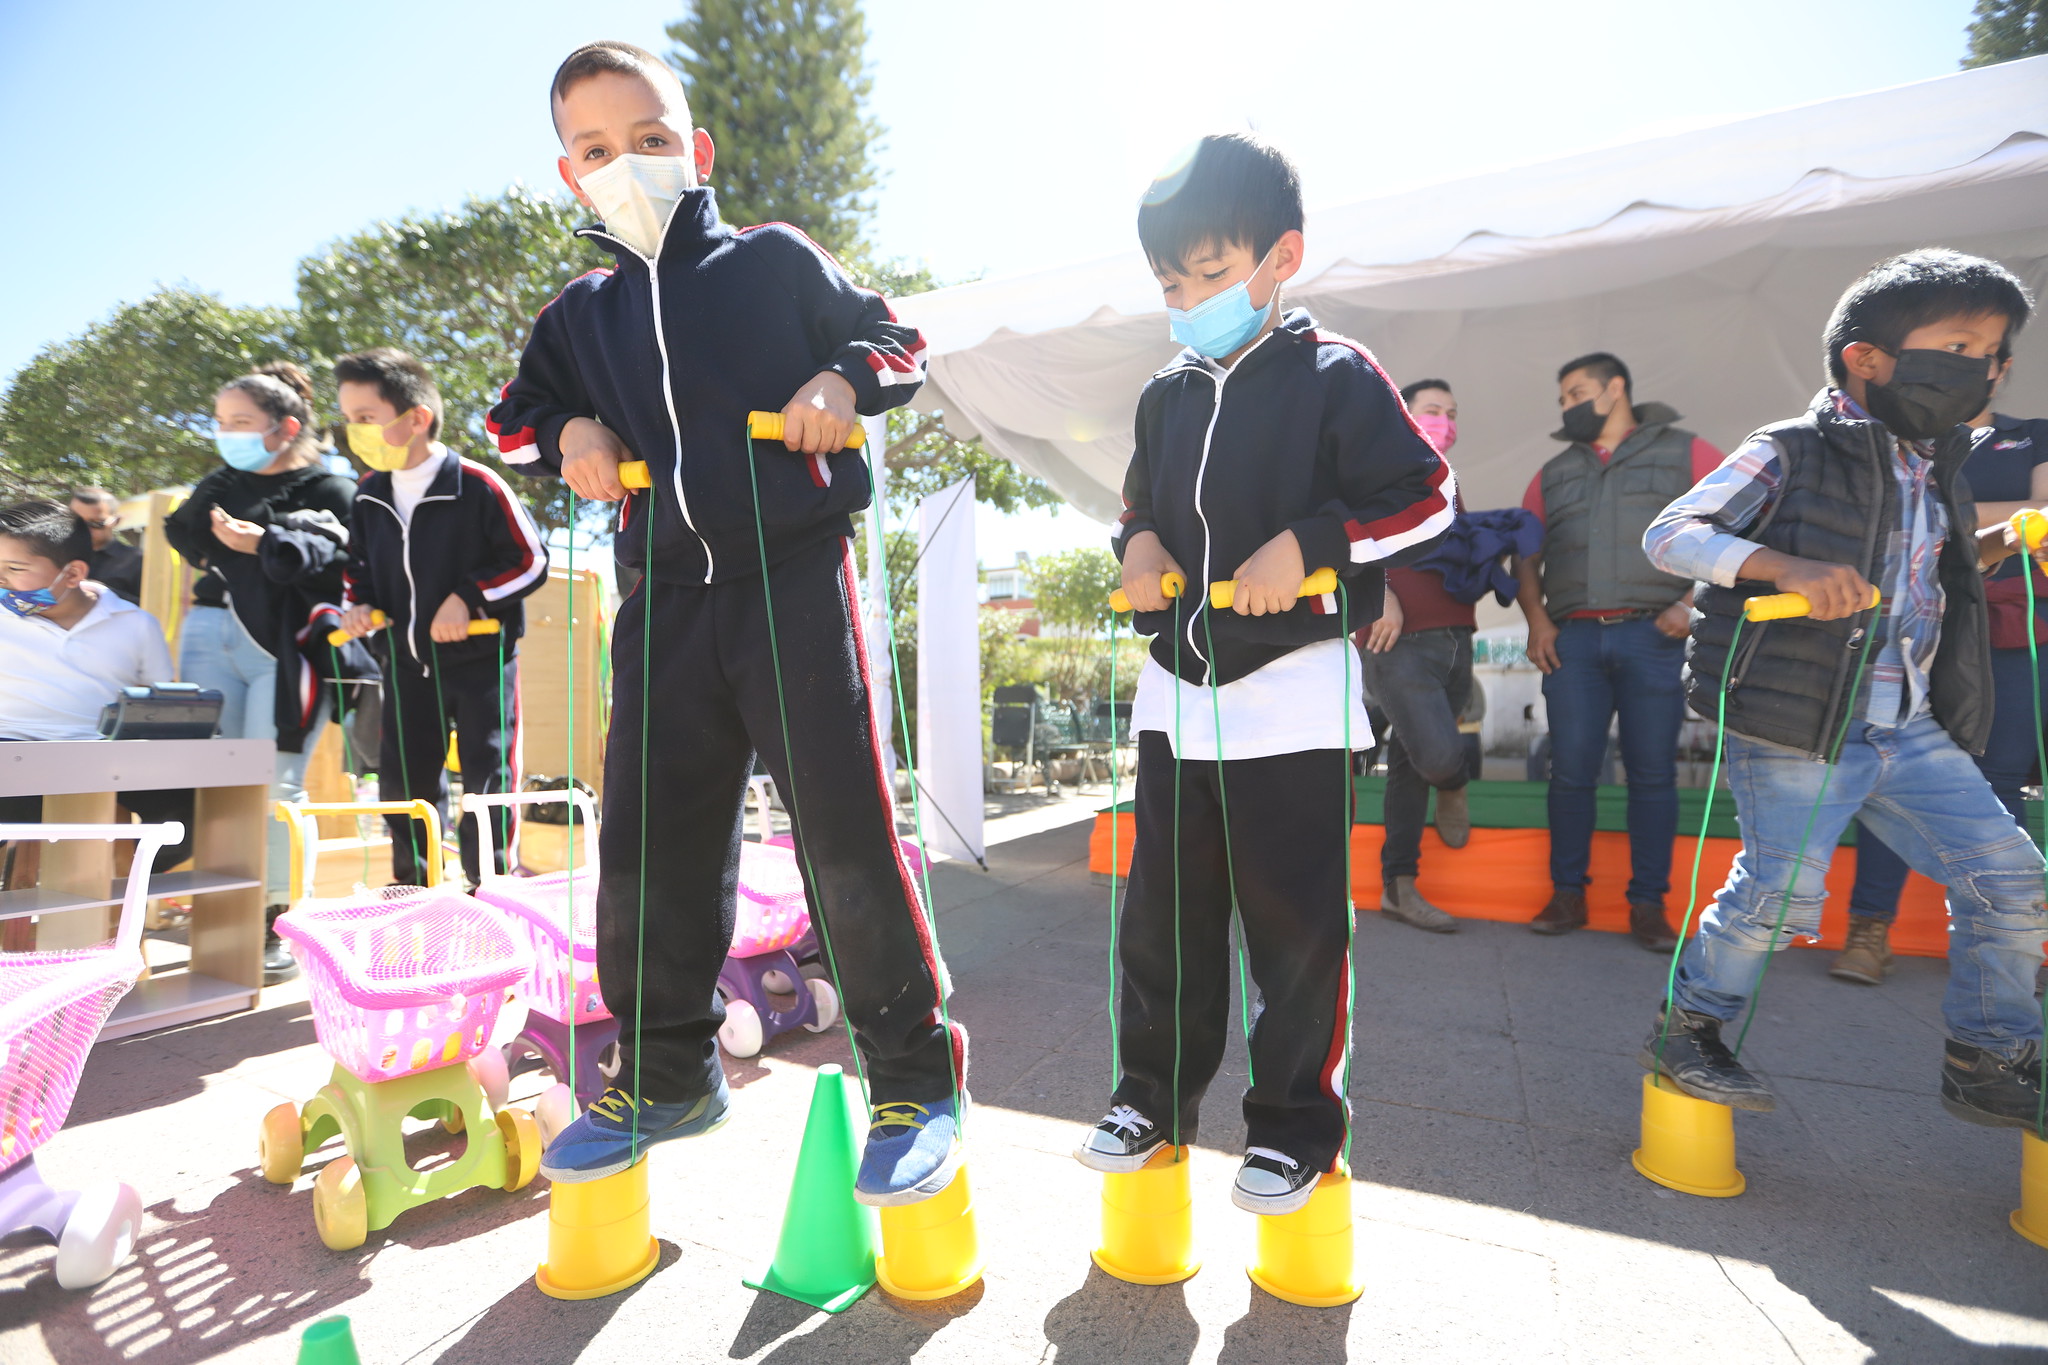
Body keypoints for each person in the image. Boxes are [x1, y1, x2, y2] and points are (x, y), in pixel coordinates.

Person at [484, 42, 955, 1203]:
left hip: (792, 575)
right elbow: (512, 420)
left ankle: (911, 1079)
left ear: (692, 151)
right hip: (663, 597)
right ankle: (664, 1074)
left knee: (840, 828)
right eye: (597, 150)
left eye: (647, 139)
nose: (625, 162)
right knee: (647, 842)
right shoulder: (577, 315)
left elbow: (898, 341)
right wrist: (569, 436)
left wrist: (840, 383)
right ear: (568, 175)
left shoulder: (771, 262)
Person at [1075, 133, 1454, 1214]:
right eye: (1168, 282)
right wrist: (1136, 547)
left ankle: (1292, 1125)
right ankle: (1148, 1097)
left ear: (1279, 255)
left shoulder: (1336, 375)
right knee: (1161, 918)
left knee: (1292, 929)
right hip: (1173, 697)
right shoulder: (1165, 393)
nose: (1188, 298)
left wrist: (1315, 541)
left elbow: (1425, 498)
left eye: (1208, 273)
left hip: (1292, 695)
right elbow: (1140, 504)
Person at [1638, 248, 2047, 1127]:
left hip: (1910, 724)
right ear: (1866, 356)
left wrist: (2005, 540)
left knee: (2012, 879)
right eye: (1961, 343)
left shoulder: (1940, 465)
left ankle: (1987, 1054)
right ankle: (1690, 1029)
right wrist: (1782, 562)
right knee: (1779, 898)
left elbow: (1926, 576)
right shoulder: (1788, 447)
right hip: (1797, 721)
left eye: (1996, 352)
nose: (1984, 366)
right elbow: (1673, 534)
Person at [1832, 351, 2048, 984]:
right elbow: (1880, 526)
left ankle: (2005, 946)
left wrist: (1944, 520)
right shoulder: (1903, 443)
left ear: (2003, 366)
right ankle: (1870, 929)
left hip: (2010, 633)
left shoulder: (2034, 433)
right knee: (1889, 770)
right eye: (1945, 351)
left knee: (2001, 783)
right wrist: (2001, 518)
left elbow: (2040, 518)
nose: (1954, 365)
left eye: (1972, 352)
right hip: (1915, 630)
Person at [1516, 353, 1725, 950]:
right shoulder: (1552, 471)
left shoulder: (1688, 451)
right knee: (1571, 771)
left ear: (1616, 389)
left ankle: (1648, 905)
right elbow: (1525, 556)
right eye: (1561, 398)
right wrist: (1536, 620)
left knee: (1654, 774)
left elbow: (1738, 525)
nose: (1568, 406)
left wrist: (1691, 604)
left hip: (1653, 637)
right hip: (1572, 640)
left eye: (1577, 392)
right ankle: (1566, 895)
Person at [162, 362, 358, 984]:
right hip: (206, 635)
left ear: (285, 427)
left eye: (241, 423)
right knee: (215, 785)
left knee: (275, 787)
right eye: (220, 423)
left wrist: (262, 545)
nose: (227, 434)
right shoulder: (219, 483)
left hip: (287, 648)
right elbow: (185, 537)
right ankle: (221, 916)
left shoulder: (332, 490)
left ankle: (276, 921)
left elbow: (345, 571)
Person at [334, 348, 547, 889]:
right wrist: (357, 606)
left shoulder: (478, 485)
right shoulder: (367, 495)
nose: (352, 432)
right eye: (348, 419)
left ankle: (491, 888)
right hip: (403, 665)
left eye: (365, 419)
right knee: (404, 784)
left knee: (487, 777)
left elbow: (531, 561)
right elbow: (357, 570)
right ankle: (412, 890)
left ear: (417, 419)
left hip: (481, 660)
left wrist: (470, 597)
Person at [0, 502, 191, 868]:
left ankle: (123, 890)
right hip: (11, 752)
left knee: (190, 812)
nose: (2, 580)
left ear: (72, 574)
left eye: (14, 569)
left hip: (104, 757)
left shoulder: (136, 624)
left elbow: (161, 705)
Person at [1358, 379, 1479, 933]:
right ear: (1402, 412)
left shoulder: (1448, 479)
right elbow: (1342, 537)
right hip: (1396, 640)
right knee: (1435, 758)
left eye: (1451, 413)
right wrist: (1378, 592)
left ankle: (1399, 889)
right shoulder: (1369, 463)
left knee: (1410, 769)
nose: (1445, 420)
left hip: (1457, 635)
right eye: (1432, 410)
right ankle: (1453, 784)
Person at [68, 488, 144, 606]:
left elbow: (151, 607)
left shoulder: (137, 560)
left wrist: (100, 591)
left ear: (116, 521)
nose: (84, 529)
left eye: (95, 523)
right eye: (77, 522)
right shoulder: (54, 554)